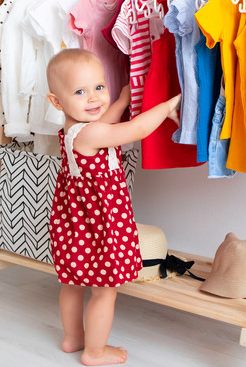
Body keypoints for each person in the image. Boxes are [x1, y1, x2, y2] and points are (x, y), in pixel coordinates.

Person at [45, 48, 181, 366]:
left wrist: (119, 102)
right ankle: (94, 351)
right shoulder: (92, 133)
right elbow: (135, 131)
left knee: (71, 284)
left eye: (99, 88)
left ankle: (73, 339)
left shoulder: (72, 129)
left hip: (74, 229)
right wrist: (166, 107)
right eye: (80, 92)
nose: (93, 98)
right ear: (56, 101)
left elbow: (103, 125)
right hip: (99, 230)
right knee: (104, 291)